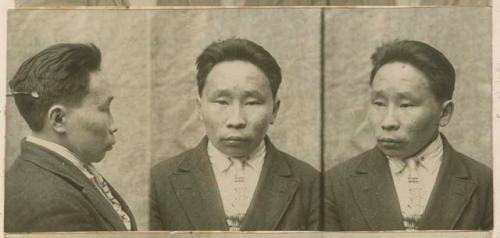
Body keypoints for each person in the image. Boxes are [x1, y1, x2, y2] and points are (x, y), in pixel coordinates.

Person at [149, 38, 320, 231]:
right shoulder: (159, 182)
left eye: (252, 103)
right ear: (199, 107)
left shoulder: (311, 183)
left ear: (274, 110)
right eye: (222, 102)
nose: (236, 120)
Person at [324, 40, 493, 231]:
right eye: (379, 103)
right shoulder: (335, 184)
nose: (388, 122)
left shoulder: (486, 184)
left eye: (406, 105)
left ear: (444, 113)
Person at [5, 43, 137, 232]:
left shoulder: (58, 173)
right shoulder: (47, 201)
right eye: (104, 109)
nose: (114, 126)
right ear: (59, 119)